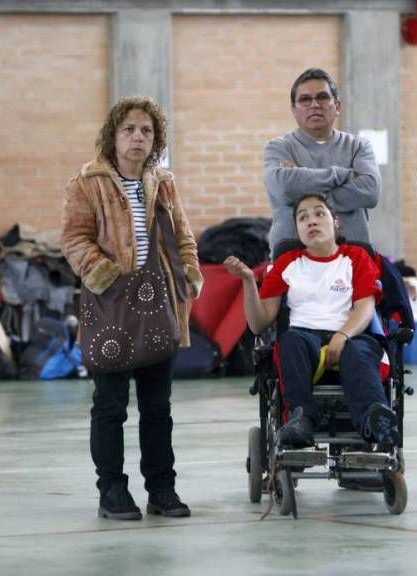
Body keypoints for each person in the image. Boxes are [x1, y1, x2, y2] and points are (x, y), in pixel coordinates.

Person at [62, 96, 203, 520]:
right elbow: (73, 239)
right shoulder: (85, 183)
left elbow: (183, 237)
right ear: (114, 135)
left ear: (155, 139)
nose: (138, 137)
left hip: (158, 305)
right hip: (109, 306)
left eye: (146, 130)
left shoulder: (165, 182)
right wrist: (105, 274)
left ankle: (162, 490)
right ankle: (112, 492)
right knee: (110, 406)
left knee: (158, 407)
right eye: (129, 129)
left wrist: (191, 275)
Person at [223, 194, 399, 450]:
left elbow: (365, 308)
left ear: (335, 221)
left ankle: (375, 421)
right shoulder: (287, 263)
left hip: (352, 337)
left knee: (360, 350)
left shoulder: (356, 257)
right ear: (297, 229)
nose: (311, 221)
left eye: (319, 213)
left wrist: (342, 335)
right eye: (303, 217)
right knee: (289, 341)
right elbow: (259, 324)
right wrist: (249, 282)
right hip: (305, 342)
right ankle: (301, 419)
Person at [263, 68, 381, 256]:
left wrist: (302, 178)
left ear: (337, 106)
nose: (315, 105)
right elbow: (284, 187)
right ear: (294, 109)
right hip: (292, 257)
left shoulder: (358, 146)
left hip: (352, 258)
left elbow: (370, 191)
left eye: (323, 97)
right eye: (305, 99)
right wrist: (344, 175)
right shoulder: (279, 148)